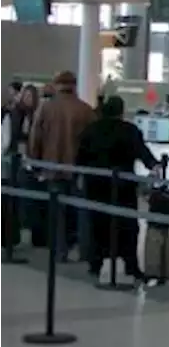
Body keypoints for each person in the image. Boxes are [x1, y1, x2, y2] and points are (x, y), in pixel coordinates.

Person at [74, 96, 159, 280]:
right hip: (123, 187)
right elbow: (142, 152)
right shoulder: (129, 130)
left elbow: (80, 157)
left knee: (98, 224)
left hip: (96, 185)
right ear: (121, 111)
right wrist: (154, 165)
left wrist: (77, 177)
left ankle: (95, 264)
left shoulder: (91, 130)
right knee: (128, 226)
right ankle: (131, 265)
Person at [28, 71, 97, 258]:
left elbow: (35, 137)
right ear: (74, 86)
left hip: (52, 167)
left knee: (57, 211)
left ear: (57, 85)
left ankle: (60, 250)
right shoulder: (86, 110)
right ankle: (84, 250)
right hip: (78, 168)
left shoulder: (46, 108)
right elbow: (93, 142)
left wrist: (35, 162)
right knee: (81, 210)